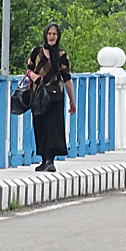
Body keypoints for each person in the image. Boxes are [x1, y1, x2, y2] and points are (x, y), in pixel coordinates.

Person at [27, 24, 77, 172]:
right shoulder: (36, 52)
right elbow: (28, 70)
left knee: (53, 127)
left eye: (54, 34)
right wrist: (34, 76)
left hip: (55, 96)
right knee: (40, 126)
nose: (51, 36)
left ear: (58, 36)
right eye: (49, 33)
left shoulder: (61, 55)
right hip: (39, 95)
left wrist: (72, 100)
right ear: (45, 35)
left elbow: (67, 78)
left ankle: (50, 160)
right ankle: (44, 160)